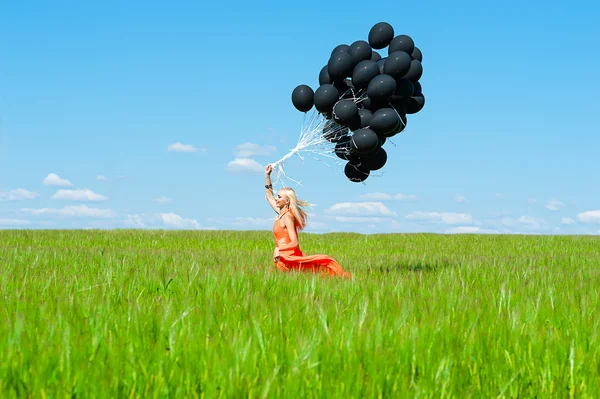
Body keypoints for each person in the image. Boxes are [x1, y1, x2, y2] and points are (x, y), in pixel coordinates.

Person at [265, 164, 351, 278]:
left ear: (287, 201)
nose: (276, 198)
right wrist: (267, 176)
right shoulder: (281, 214)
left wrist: (278, 249)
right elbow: (269, 197)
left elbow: (295, 243)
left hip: (288, 257)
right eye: (277, 196)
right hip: (281, 257)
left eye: (279, 197)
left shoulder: (287, 217)